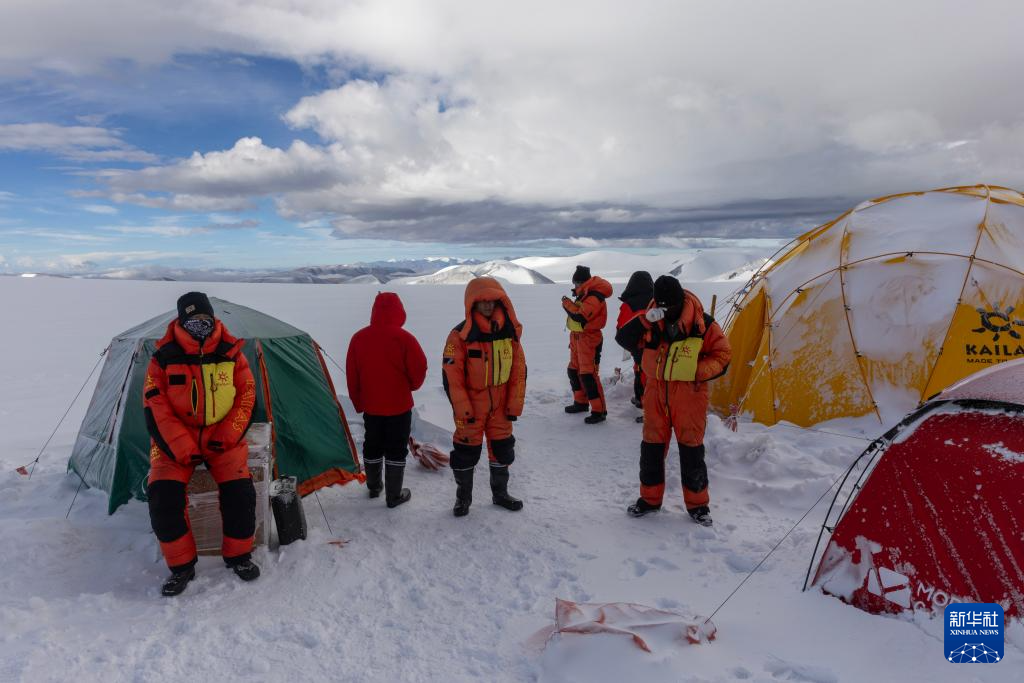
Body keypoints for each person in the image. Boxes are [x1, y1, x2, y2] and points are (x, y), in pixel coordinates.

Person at [145, 292, 259, 596]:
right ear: (181, 320)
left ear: (213, 317)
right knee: (162, 497)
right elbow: (155, 405)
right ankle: (181, 567)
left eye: (204, 318)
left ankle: (239, 556)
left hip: (222, 436)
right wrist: (181, 445)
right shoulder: (164, 356)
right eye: (193, 319)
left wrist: (227, 434)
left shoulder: (231, 352)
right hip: (174, 441)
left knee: (241, 493)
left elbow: (246, 396)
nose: (200, 324)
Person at [627, 276, 731, 526]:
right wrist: (642, 323)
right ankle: (650, 500)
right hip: (655, 396)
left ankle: (698, 505)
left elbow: (723, 355)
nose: (667, 312)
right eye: (662, 307)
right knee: (651, 449)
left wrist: (696, 371)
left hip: (689, 397)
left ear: (679, 301)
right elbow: (625, 340)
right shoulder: (652, 320)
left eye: (670, 307)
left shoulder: (702, 324)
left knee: (691, 450)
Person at [442, 277, 527, 517]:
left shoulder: (509, 333)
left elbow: (518, 372)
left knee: (502, 450)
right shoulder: (460, 336)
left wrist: (513, 404)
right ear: (472, 304)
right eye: (482, 302)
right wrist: (463, 409)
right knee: (465, 452)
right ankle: (463, 499)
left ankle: (500, 494)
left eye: (492, 301)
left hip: (500, 407)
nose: (488, 306)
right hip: (471, 406)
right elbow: (452, 377)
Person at [346, 292, 428, 508]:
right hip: (399, 406)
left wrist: (358, 401)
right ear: (399, 311)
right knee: (396, 448)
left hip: (372, 407)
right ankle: (394, 495)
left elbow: (352, 375)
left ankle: (374, 487)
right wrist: (410, 386)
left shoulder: (358, 338)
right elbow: (419, 370)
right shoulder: (405, 339)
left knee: (372, 444)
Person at [561, 265, 613, 424]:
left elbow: (580, 317)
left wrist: (566, 303)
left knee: (588, 374)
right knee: (573, 370)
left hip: (589, 339)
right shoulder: (585, 294)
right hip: (578, 339)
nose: (575, 286)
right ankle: (581, 402)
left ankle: (599, 411)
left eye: (576, 283)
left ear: (582, 282)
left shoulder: (594, 297)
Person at [614, 270, 654, 415]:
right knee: (650, 374)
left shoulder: (629, 304)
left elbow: (621, 327)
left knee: (642, 373)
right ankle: (642, 400)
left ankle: (647, 407)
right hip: (656, 345)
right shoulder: (656, 300)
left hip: (639, 346)